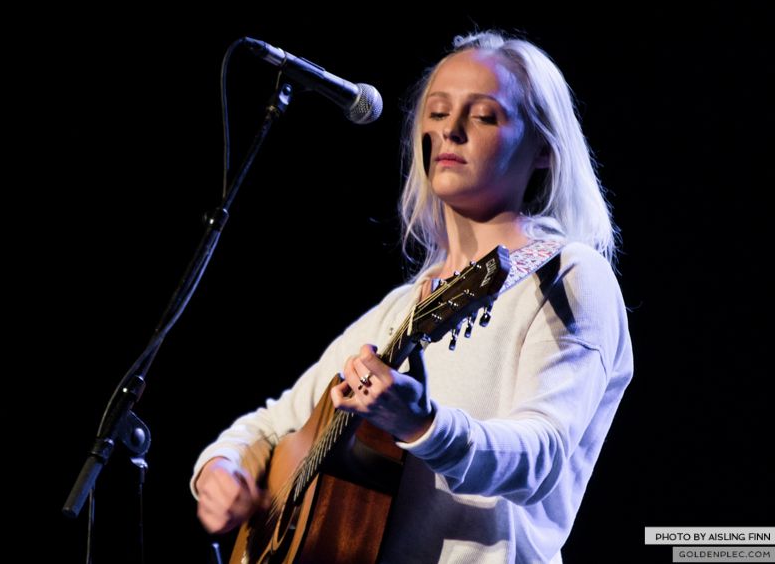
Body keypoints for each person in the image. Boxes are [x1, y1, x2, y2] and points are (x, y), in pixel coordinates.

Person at [191, 31, 634, 563]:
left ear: (542, 150)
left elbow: (541, 458)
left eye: (485, 116)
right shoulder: (400, 310)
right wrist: (224, 469)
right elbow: (272, 423)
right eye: (439, 111)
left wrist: (422, 424)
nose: (451, 129)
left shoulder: (566, 275)